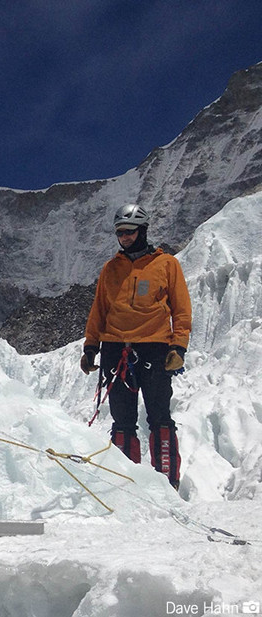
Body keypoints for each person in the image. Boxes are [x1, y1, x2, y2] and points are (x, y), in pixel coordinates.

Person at [81, 203, 190, 489]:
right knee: (122, 421)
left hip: (154, 347)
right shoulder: (110, 269)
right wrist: (91, 346)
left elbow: (181, 309)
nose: (125, 237)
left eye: (129, 232)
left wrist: (178, 347)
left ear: (142, 230)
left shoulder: (166, 264)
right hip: (115, 349)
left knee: (159, 417)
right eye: (120, 233)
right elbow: (99, 310)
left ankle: (167, 483)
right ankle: (126, 485)